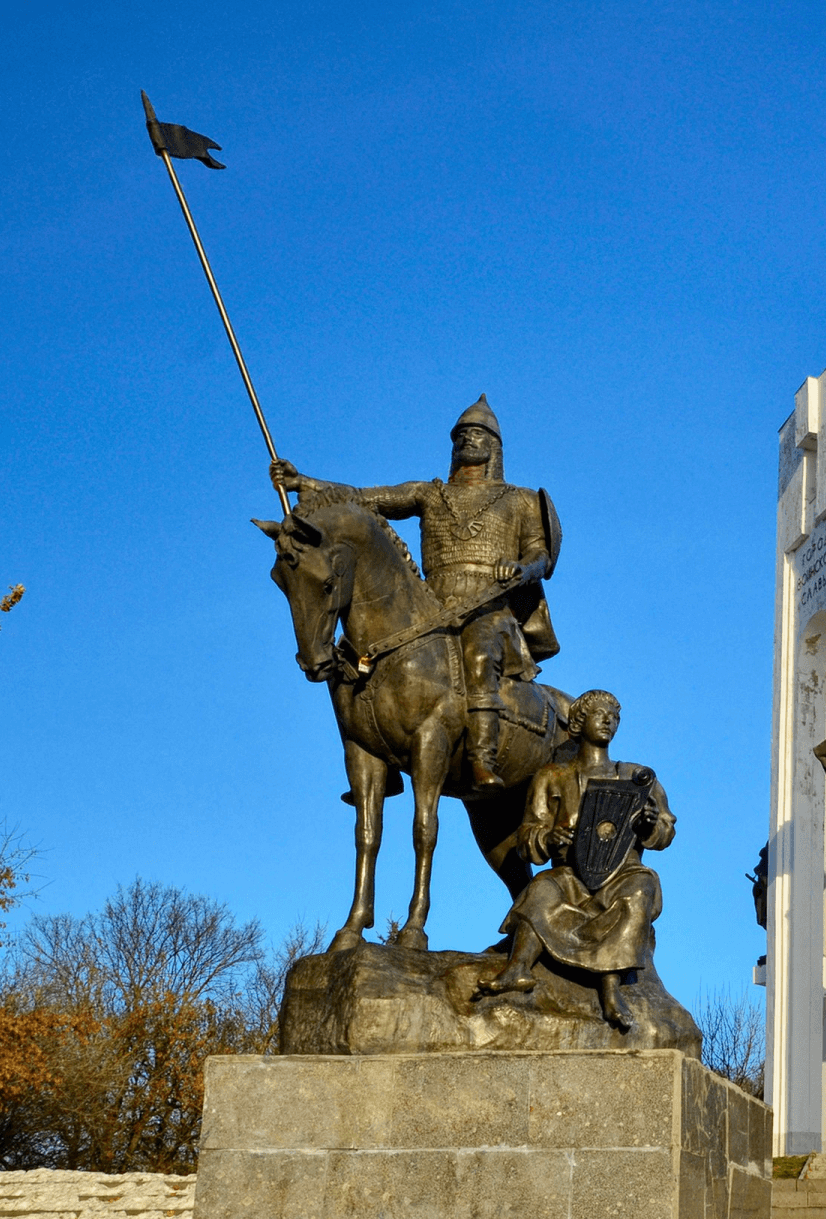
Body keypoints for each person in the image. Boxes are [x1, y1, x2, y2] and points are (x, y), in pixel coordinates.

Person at [270, 395, 557, 793]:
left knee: (478, 653)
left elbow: (541, 555)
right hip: (432, 608)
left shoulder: (521, 499)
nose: (468, 441)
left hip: (487, 608)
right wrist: (305, 483)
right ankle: (375, 755)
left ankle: (482, 758)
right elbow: (364, 498)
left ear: (495, 446)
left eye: (478, 434)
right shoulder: (428, 493)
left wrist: (522, 569)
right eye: (461, 435)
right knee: (346, 662)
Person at [474, 690, 673, 1032]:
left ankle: (611, 989)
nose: (609, 721)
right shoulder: (552, 776)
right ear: (579, 723)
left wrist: (651, 824)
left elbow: (666, 831)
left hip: (622, 872)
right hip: (569, 874)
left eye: (614, 716)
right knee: (541, 889)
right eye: (600, 714)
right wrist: (546, 838)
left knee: (640, 889)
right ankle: (517, 968)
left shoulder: (637, 776)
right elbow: (528, 835)